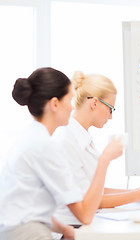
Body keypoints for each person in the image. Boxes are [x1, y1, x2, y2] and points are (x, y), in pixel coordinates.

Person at [0, 67, 123, 240]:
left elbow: (28, 205)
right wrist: (105, 159)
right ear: (55, 104)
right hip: (28, 234)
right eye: (70, 99)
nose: (72, 107)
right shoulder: (45, 146)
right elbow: (85, 214)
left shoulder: (31, 136)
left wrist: (63, 228)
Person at [53, 71, 140, 226]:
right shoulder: (67, 140)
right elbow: (90, 201)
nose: (111, 116)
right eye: (110, 109)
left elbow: (95, 190)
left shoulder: (82, 137)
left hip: (84, 224)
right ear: (94, 103)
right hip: (71, 228)